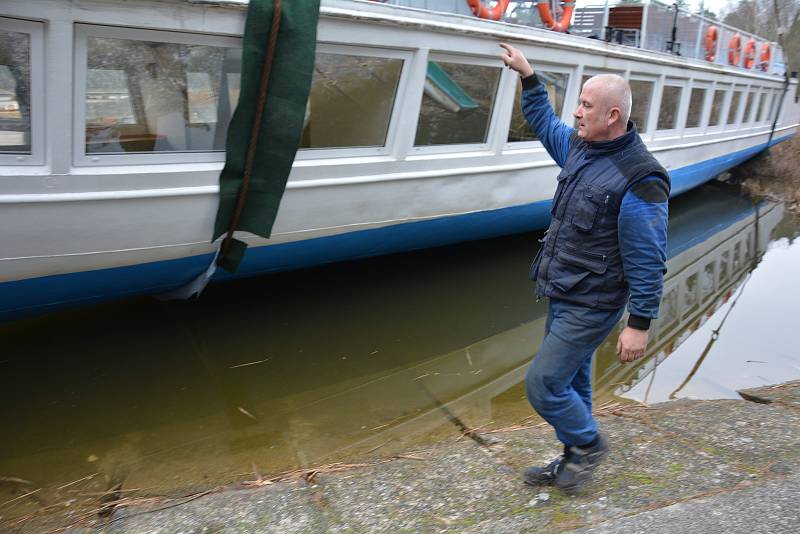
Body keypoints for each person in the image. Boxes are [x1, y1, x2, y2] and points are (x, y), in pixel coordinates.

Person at [499, 43, 670, 492]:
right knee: (573, 385)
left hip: (594, 303)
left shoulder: (641, 177)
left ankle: (589, 446)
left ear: (612, 116)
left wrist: (640, 322)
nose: (576, 112)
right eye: (578, 103)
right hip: (562, 288)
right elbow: (544, 122)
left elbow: (648, 256)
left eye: (586, 105)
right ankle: (571, 460)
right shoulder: (581, 149)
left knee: (543, 384)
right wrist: (529, 77)